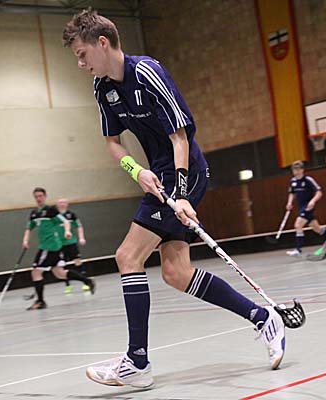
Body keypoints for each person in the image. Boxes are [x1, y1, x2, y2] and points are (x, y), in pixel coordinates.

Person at [62, 9, 285, 389]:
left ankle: (137, 362)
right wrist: (136, 171)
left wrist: (180, 194)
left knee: (127, 256)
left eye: (82, 54)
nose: (81, 64)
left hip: (185, 171)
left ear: (102, 43)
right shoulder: (103, 88)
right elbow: (113, 144)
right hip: (156, 175)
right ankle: (264, 318)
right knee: (176, 273)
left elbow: (180, 136)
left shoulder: (147, 72)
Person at [22, 188, 94, 310]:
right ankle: (87, 281)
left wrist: (67, 231)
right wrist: (25, 241)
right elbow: (29, 228)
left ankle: (40, 301)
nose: (38, 198)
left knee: (36, 272)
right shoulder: (34, 213)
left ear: (45, 196)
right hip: (50, 246)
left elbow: (66, 222)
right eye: (36, 196)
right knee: (59, 273)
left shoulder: (50, 210)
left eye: (40, 196)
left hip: (49, 246)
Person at [285, 161, 326, 256]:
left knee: (298, 225)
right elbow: (292, 193)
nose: (296, 172)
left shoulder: (308, 180)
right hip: (300, 207)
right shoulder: (293, 181)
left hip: (308, 207)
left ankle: (298, 250)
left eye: (298, 169)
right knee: (317, 229)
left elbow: (319, 192)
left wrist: (313, 201)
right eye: (294, 170)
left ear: (302, 170)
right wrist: (289, 203)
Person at [55, 198, 89, 294]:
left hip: (71, 242)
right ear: (57, 204)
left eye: (64, 202)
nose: (62, 204)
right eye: (60, 202)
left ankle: (85, 282)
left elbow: (79, 226)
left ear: (67, 204)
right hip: (58, 244)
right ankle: (68, 285)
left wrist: (81, 238)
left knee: (77, 261)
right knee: (61, 265)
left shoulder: (71, 215)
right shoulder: (54, 216)